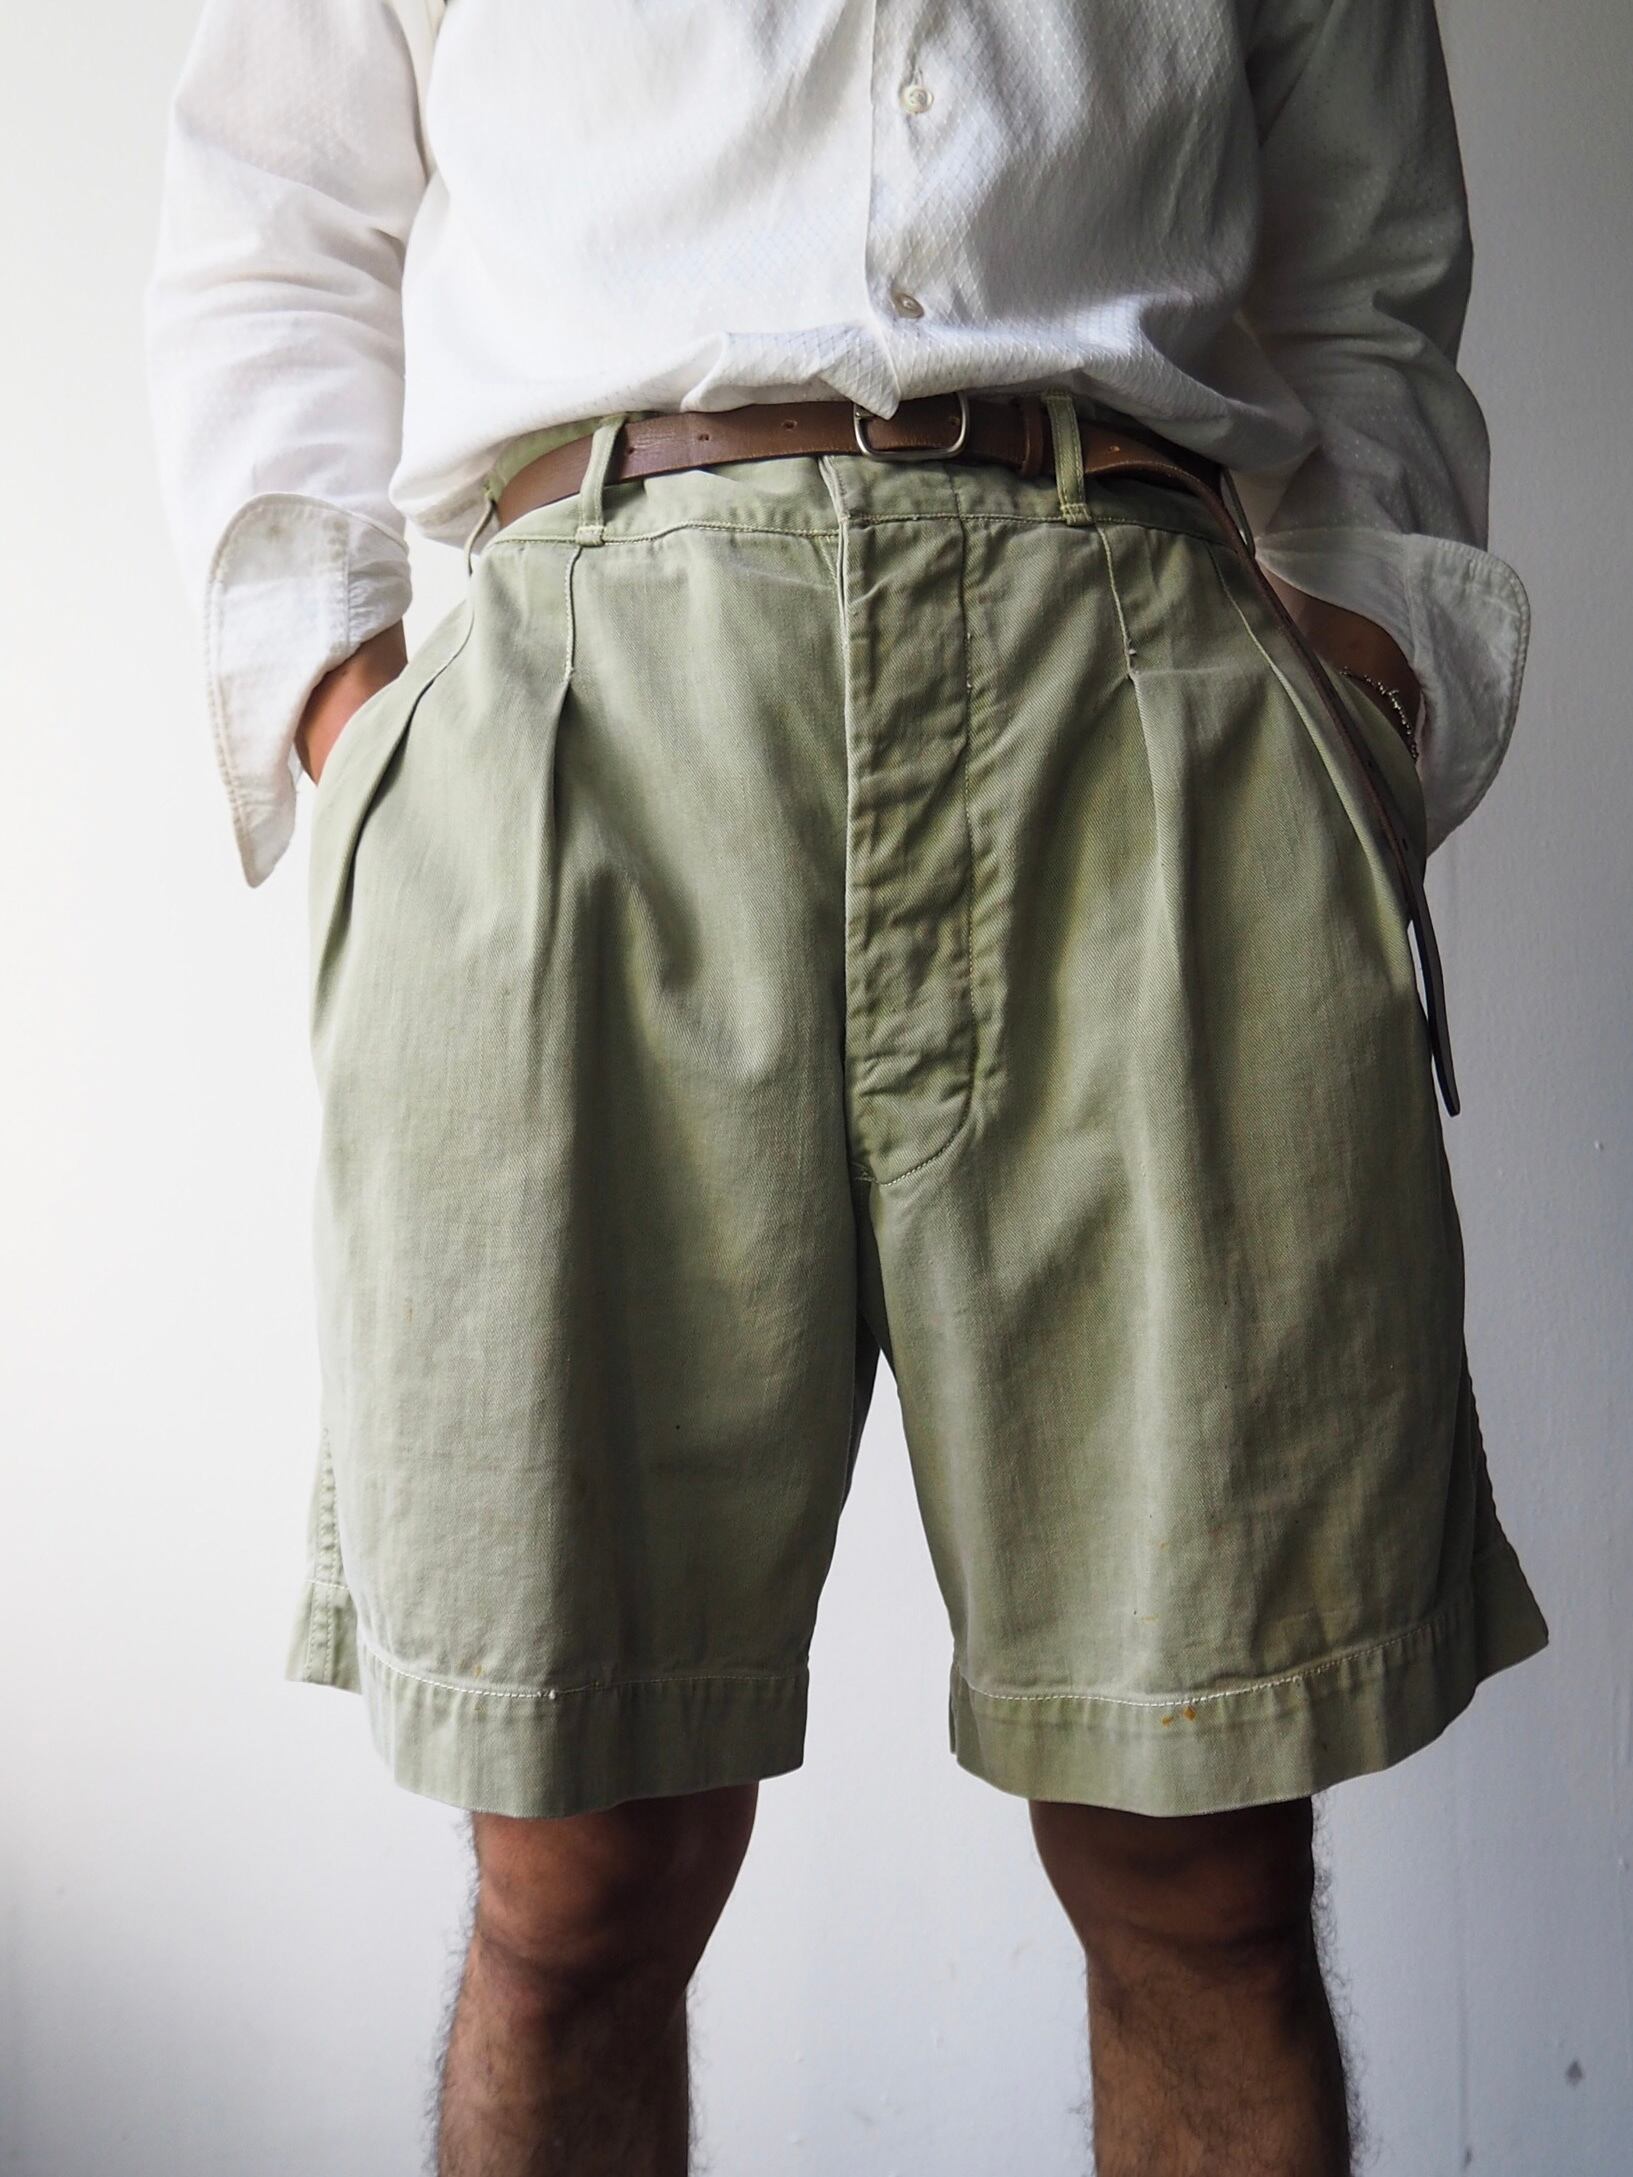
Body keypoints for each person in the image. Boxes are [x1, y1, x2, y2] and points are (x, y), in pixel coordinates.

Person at [145, 3, 1549, 2170]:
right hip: (590, 727)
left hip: (1140, 700)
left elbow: (1365, 277)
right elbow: (275, 215)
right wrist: (360, 732)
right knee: (574, 1873)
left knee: (1202, 1862)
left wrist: (1360, 704)